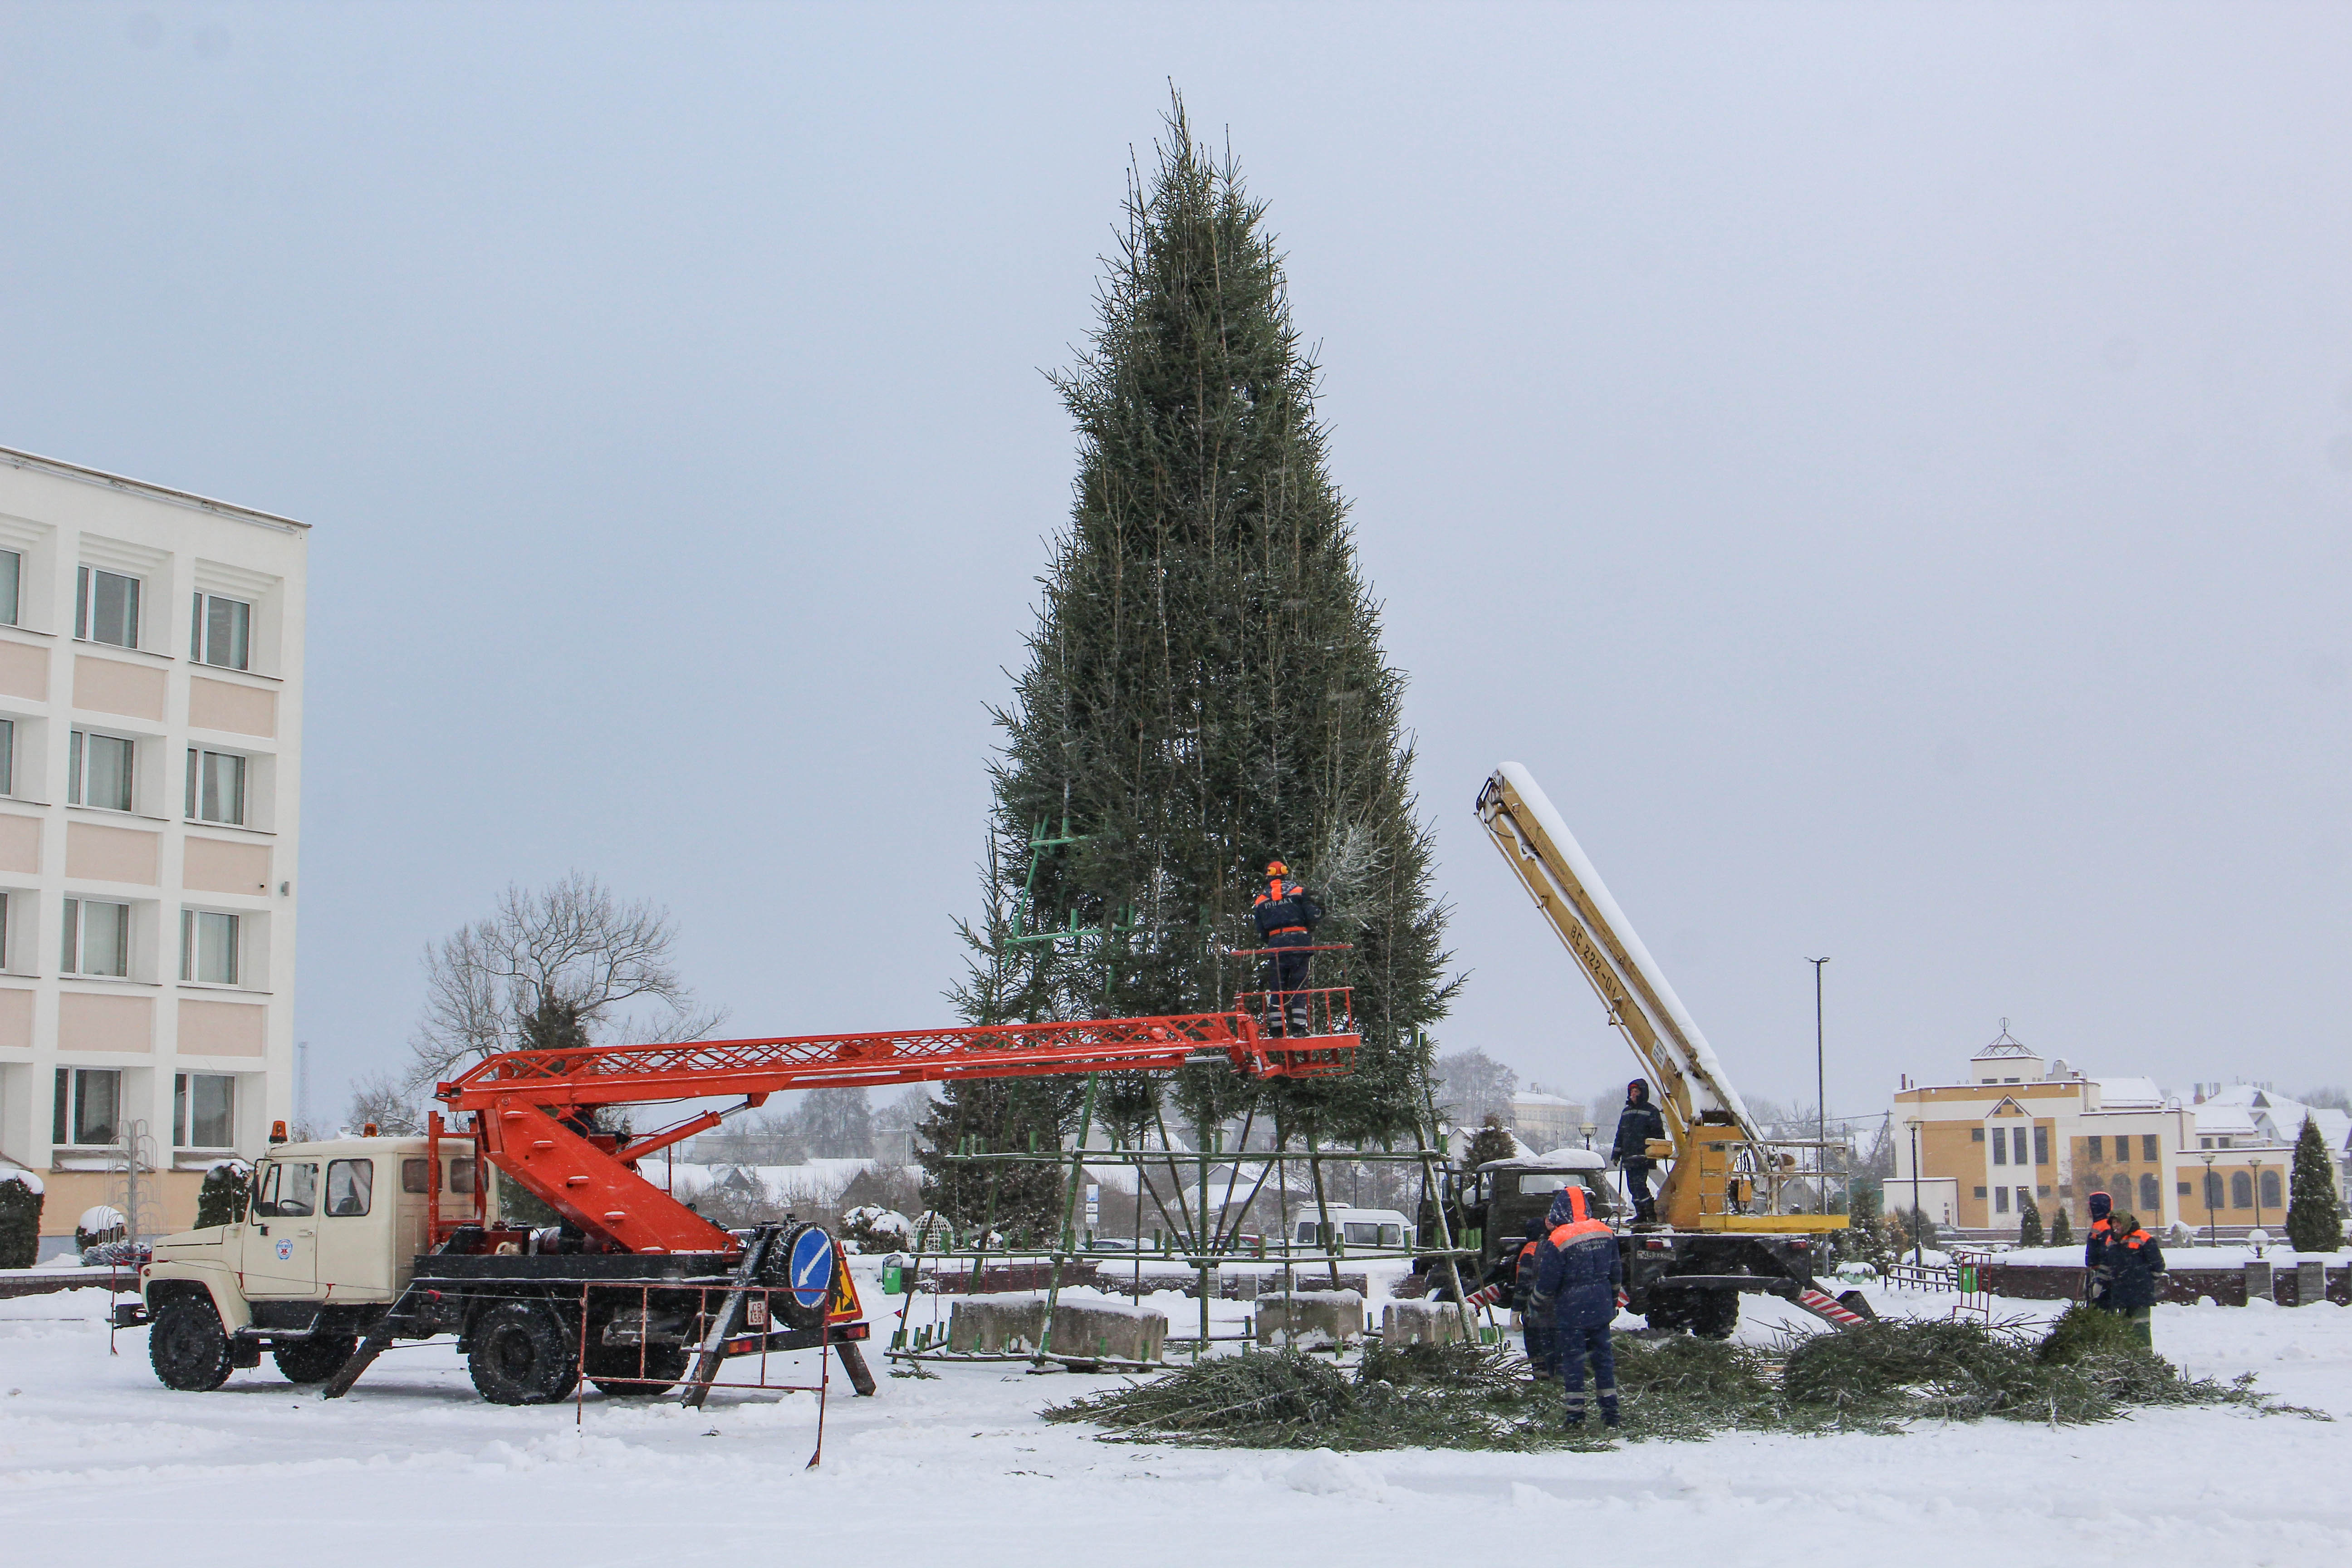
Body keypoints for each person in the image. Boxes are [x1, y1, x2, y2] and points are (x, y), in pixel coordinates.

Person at [1529, 1185, 1623, 1430]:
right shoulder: (1605, 1232)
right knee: (1604, 1360)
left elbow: (1548, 1282)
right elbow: (1616, 1274)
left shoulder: (1559, 1239)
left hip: (1572, 1308)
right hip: (1601, 1305)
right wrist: (1611, 1304)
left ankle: (1575, 1416)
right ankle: (1611, 1414)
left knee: (1573, 1361)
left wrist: (1534, 1305)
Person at [1250, 859, 1323, 1036]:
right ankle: (1299, 1027)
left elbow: (1261, 931)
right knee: (1299, 985)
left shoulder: (1261, 901)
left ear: (1268, 876)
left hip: (1276, 946)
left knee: (1277, 986)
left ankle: (1276, 1028)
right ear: (1286, 874)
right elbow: (1314, 916)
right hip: (1299, 943)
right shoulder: (1299, 893)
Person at [2103, 1209, 2165, 1347]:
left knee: (2141, 1329)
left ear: (2125, 1222)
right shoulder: (2111, 1241)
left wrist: (2147, 1282)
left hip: (2140, 1295)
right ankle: (2128, 1359)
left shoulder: (2144, 1238)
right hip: (2121, 1295)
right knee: (2125, 1330)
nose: (2116, 1226)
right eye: (2113, 1223)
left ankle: (2145, 1360)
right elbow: (2107, 1265)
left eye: (2118, 1222)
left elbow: (2158, 1265)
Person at [1612, 1081, 1666, 1225]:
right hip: (1629, 1156)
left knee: (1639, 1185)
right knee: (1632, 1187)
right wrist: (1616, 1153)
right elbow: (1621, 1133)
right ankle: (1641, 1214)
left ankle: (1650, 1213)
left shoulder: (1651, 1111)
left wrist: (1657, 1149)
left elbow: (1658, 1132)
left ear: (1643, 1093)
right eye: (1632, 1091)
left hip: (1643, 1156)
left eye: (1636, 1091)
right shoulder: (1627, 1112)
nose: (1633, 1094)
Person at [2083, 1191, 2115, 1311]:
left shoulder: (2105, 1227)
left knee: (2102, 1310)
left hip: (2103, 1277)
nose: (2088, 1211)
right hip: (2098, 1274)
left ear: (2098, 1208)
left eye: (2090, 1207)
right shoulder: (2100, 1225)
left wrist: (2100, 1281)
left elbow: (2107, 1255)